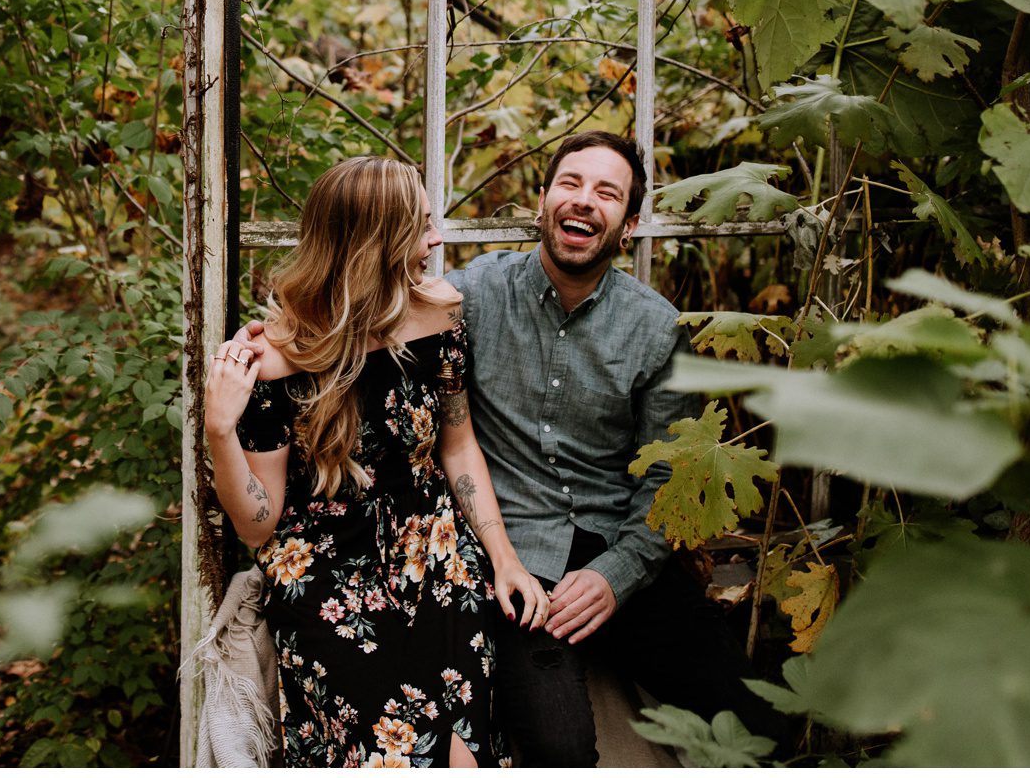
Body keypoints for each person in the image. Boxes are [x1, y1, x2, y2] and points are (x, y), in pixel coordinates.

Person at [442, 129, 782, 765]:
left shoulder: (655, 328)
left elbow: (665, 483)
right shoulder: (478, 293)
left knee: (759, 714)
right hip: (515, 558)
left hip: (616, 545)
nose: (584, 201)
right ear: (542, 202)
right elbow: (376, 311)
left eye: (607, 192)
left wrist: (616, 576)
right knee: (560, 747)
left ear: (627, 225)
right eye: (570, 184)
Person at [203, 156, 550, 768]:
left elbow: (458, 443)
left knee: (463, 755)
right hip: (326, 579)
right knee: (388, 755)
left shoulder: (441, 313)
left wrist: (505, 560)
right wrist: (220, 430)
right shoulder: (275, 359)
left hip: (435, 554)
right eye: (419, 226)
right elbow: (259, 526)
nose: (436, 239)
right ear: (372, 244)